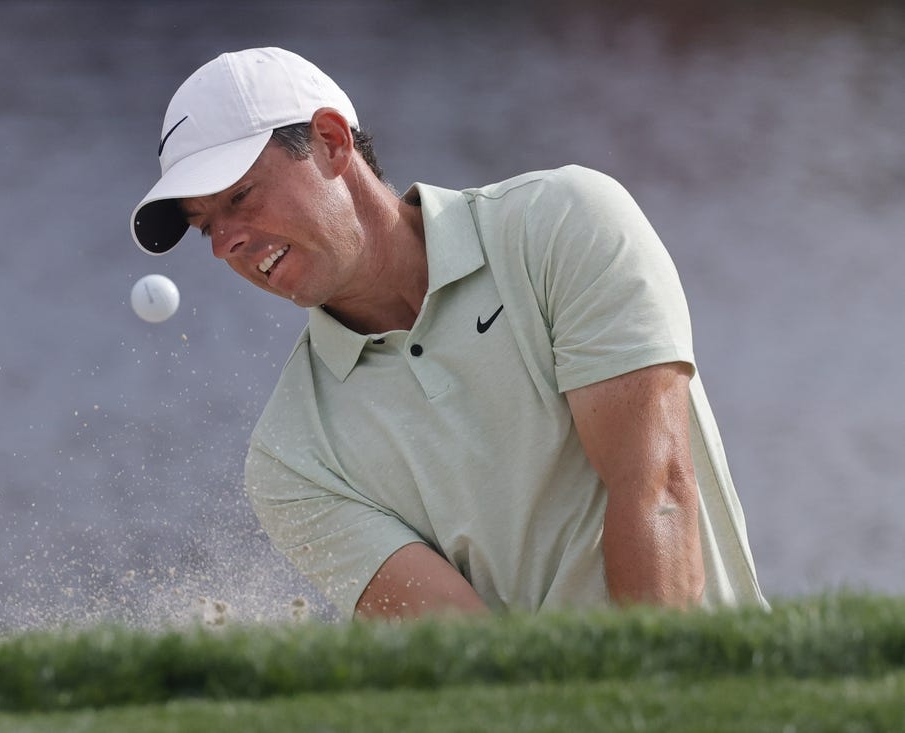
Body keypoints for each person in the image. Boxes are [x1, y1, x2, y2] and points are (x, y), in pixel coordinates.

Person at [130, 47, 768, 620]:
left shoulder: (563, 223)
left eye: (239, 197)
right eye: (202, 225)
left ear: (330, 141)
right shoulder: (291, 458)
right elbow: (468, 650)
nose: (223, 245)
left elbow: (654, 492)